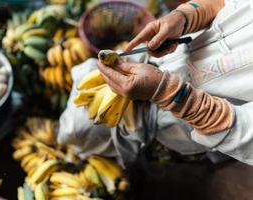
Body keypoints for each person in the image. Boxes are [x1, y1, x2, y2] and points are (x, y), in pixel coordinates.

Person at [59, 0, 253, 166]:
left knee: (82, 130)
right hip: (166, 57)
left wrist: (167, 92)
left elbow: (245, 134)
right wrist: (187, 14)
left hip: (179, 123)